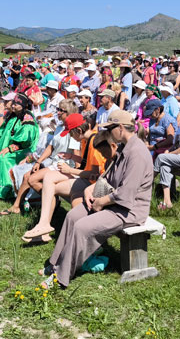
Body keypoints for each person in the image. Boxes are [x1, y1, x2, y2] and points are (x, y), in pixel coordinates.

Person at [40, 110, 153, 289]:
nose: (108, 134)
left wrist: (101, 201)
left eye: (110, 129)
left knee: (82, 227)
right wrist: (91, 189)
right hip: (114, 202)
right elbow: (109, 177)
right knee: (73, 216)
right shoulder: (125, 147)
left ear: (121, 128)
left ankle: (60, 277)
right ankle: (55, 263)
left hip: (129, 210)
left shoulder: (137, 153)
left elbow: (126, 194)